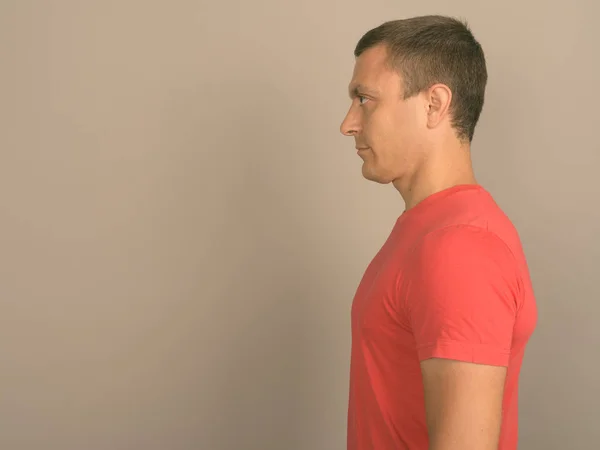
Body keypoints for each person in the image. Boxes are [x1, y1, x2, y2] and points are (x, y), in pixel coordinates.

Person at [339, 15, 538, 450]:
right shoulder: (430, 231)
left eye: (365, 99)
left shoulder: (460, 248)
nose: (348, 123)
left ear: (434, 104)